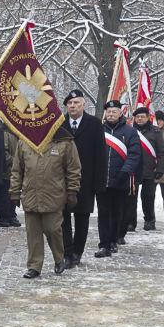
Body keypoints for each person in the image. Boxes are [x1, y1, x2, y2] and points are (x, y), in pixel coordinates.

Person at [10, 127, 81, 278]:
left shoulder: (64, 142)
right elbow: (17, 169)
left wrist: (72, 191)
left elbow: (73, 169)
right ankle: (34, 266)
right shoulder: (24, 140)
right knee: (33, 233)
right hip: (30, 194)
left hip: (53, 195)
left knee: (52, 229)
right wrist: (14, 191)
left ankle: (59, 258)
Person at [60, 89, 105, 267]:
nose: (73, 106)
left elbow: (101, 155)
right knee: (63, 219)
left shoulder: (94, 124)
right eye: (70, 103)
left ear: (83, 104)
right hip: (62, 181)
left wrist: (99, 183)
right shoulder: (59, 124)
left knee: (82, 218)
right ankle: (67, 252)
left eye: (76, 102)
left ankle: (78, 252)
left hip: (86, 181)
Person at [95, 100, 140, 258]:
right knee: (103, 213)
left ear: (121, 113)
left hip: (120, 180)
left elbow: (134, 155)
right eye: (108, 112)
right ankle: (104, 244)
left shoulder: (130, 132)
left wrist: (124, 172)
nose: (111, 114)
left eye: (114, 111)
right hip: (102, 180)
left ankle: (114, 240)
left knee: (117, 213)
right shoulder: (98, 130)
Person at [119, 107, 164, 236]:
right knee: (131, 199)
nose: (140, 119)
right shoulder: (129, 131)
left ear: (148, 117)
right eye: (137, 117)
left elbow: (162, 153)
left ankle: (149, 221)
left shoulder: (155, 132)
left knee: (148, 197)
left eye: (142, 117)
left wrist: (160, 169)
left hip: (149, 170)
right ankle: (130, 223)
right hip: (133, 171)